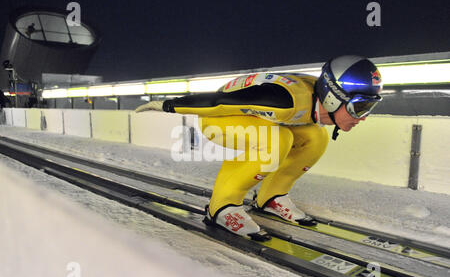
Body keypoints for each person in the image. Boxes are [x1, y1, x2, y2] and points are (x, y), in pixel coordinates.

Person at [136, 55, 383, 240]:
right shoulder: (286, 101)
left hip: (251, 113)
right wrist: (166, 105)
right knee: (277, 141)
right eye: (359, 108)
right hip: (218, 117)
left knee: (316, 138)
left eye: (369, 108)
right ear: (332, 98)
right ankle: (221, 207)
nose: (362, 118)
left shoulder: (315, 101)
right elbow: (218, 103)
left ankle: (271, 197)